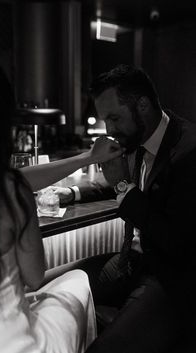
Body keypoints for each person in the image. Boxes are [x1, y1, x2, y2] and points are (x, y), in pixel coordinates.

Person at [0, 52, 124, 353]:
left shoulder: (3, 185)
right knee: (76, 281)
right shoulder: (9, 191)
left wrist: (89, 158)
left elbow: (18, 177)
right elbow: (34, 277)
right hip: (9, 344)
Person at [51, 64, 196, 353]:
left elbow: (177, 242)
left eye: (114, 118)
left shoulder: (189, 153)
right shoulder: (136, 137)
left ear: (142, 105)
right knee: (48, 288)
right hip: (131, 260)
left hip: (171, 276)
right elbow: (128, 181)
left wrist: (121, 188)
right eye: (106, 120)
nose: (109, 130)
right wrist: (73, 192)